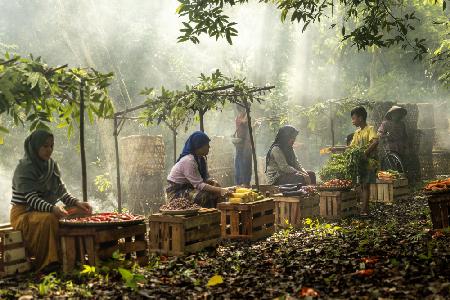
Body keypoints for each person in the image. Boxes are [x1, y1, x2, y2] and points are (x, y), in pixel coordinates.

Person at [10, 130, 92, 272]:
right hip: (23, 214)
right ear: (35, 147)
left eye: (51, 146)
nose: (49, 150)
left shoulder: (51, 165)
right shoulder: (24, 168)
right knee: (49, 218)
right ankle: (49, 262)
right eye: (45, 146)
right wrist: (54, 209)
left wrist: (77, 203)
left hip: (44, 210)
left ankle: (76, 255)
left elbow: (61, 191)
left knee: (82, 211)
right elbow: (32, 200)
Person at [166, 131, 231, 208]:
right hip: (177, 192)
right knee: (206, 196)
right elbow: (199, 184)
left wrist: (219, 187)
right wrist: (220, 190)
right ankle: (209, 216)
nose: (209, 147)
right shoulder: (188, 160)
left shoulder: (200, 159)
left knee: (215, 185)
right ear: (199, 146)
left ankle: (221, 213)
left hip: (190, 188)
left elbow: (205, 179)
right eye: (207, 145)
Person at [349, 106, 379, 215]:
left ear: (360, 118)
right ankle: (363, 207)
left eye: (354, 118)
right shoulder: (357, 133)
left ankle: (364, 210)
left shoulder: (370, 129)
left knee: (365, 185)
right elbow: (351, 147)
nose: (352, 121)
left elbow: (375, 142)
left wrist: (365, 153)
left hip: (369, 162)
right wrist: (336, 149)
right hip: (360, 163)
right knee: (361, 185)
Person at [233, 105, 252, 187]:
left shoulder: (243, 116)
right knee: (241, 165)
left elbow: (247, 127)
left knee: (246, 164)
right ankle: (242, 184)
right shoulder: (241, 117)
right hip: (242, 145)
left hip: (246, 145)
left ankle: (245, 183)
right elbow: (244, 123)